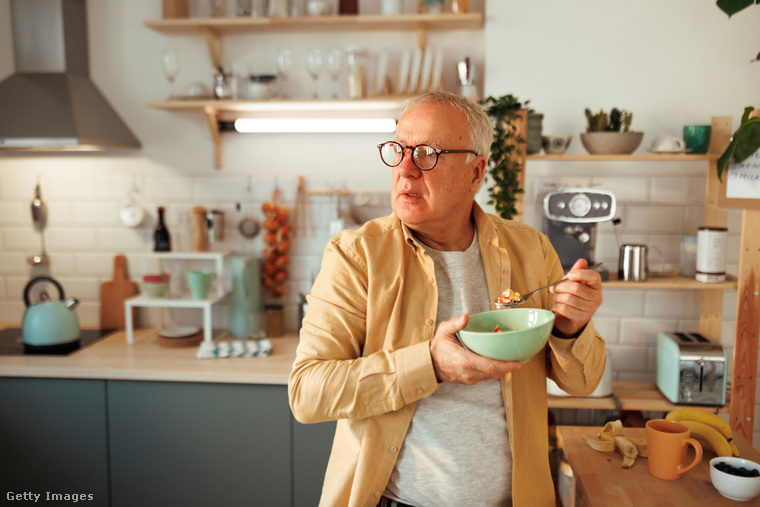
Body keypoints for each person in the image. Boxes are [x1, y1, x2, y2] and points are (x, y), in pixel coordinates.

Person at [289, 91, 606, 507]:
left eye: (426, 154)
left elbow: (583, 382)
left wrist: (571, 327)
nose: (405, 170)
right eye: (398, 150)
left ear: (475, 173)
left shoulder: (531, 250)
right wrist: (431, 365)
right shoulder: (357, 255)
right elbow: (308, 393)